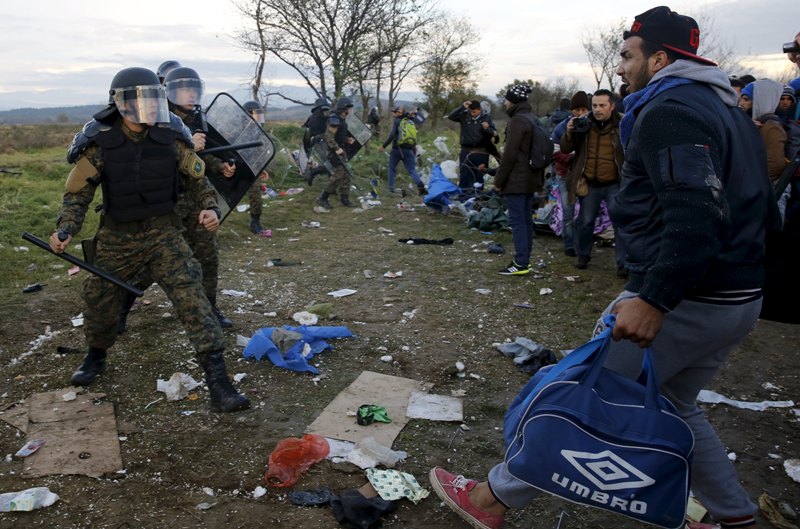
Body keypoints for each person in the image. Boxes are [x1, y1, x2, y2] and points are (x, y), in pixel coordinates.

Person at [429, 7, 773, 529]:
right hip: (739, 295)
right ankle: (736, 518)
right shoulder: (727, 109)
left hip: (690, 297)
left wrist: (654, 297)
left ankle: (492, 499)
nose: (620, 67)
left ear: (660, 58)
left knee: (586, 394)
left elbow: (696, 210)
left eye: (628, 55)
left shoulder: (671, 109)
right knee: (677, 404)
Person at [51, 67, 249, 413]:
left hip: (164, 236)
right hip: (117, 238)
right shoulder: (101, 141)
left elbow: (198, 181)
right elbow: (77, 195)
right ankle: (96, 356)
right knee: (99, 303)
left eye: (151, 99)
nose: (147, 107)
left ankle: (219, 382)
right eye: (139, 100)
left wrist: (209, 209)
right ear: (121, 102)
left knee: (193, 298)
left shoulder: (171, 136)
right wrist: (66, 229)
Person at [163, 66, 235, 328]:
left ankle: (209, 308)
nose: (191, 95)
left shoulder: (197, 119)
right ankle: (120, 311)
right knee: (149, 263)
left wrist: (219, 165)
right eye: (184, 90)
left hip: (195, 200)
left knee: (207, 256)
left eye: (194, 90)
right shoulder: (158, 120)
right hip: (164, 203)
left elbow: (200, 159)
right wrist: (188, 145)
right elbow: (155, 160)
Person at [560, 89, 626, 276]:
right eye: (595, 105)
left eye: (602, 105)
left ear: (612, 106)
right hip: (590, 182)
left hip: (614, 183)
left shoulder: (623, 124)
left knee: (619, 223)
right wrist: (569, 132)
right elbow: (565, 149)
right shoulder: (584, 123)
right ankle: (583, 255)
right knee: (586, 222)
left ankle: (622, 263)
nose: (597, 109)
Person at [492, 85, 543, 276]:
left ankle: (521, 262)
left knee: (518, 221)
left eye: (506, 99)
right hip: (530, 178)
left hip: (517, 180)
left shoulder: (517, 121)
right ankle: (524, 260)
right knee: (526, 220)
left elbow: (510, 155)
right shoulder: (532, 118)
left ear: (513, 100)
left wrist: (498, 181)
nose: (504, 102)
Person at [551, 90, 591, 257]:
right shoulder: (561, 128)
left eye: (583, 109)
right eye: (576, 110)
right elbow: (555, 152)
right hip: (566, 175)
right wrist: (575, 158)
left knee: (586, 213)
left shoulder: (592, 125)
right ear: (571, 110)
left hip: (587, 175)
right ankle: (569, 244)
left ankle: (582, 244)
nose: (580, 113)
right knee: (568, 210)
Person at [738, 80, 788, 182]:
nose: (741, 103)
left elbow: (775, 165)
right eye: (741, 99)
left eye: (746, 99)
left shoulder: (772, 127)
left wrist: (753, 182)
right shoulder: (755, 122)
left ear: (760, 101)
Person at [448, 100, 498, 193]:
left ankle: (477, 199)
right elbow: (451, 116)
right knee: (465, 175)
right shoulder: (464, 116)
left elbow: (494, 133)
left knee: (479, 176)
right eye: (470, 111)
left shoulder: (486, 118)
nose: (472, 114)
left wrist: (487, 129)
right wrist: (462, 107)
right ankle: (464, 196)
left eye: (474, 112)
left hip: (481, 152)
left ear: (479, 110)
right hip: (466, 151)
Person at [317, 97, 356, 209]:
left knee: (346, 175)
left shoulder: (340, 119)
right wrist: (336, 148)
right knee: (338, 175)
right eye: (347, 108)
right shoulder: (334, 119)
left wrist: (347, 139)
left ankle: (344, 198)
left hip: (341, 150)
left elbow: (339, 135)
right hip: (334, 152)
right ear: (343, 108)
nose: (348, 111)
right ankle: (323, 197)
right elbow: (329, 137)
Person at [378, 106, 426, 195]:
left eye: (395, 112)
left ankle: (391, 189)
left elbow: (392, 135)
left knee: (392, 168)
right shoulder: (410, 121)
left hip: (397, 149)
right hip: (409, 150)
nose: (393, 114)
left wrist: (383, 146)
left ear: (398, 113)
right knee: (412, 169)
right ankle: (420, 185)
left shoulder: (397, 121)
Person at [242, 100, 272, 234]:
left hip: (251, 168)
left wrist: (262, 168)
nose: (258, 119)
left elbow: (258, 155)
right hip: (232, 168)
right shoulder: (236, 131)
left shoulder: (257, 132)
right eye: (256, 115)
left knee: (255, 192)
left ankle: (255, 220)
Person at [303, 97, 332, 186]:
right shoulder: (323, 115)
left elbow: (305, 127)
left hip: (317, 143)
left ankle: (331, 183)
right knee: (330, 163)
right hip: (321, 143)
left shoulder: (311, 117)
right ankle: (313, 173)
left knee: (330, 163)